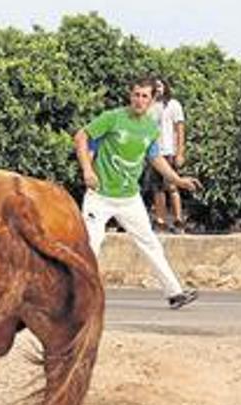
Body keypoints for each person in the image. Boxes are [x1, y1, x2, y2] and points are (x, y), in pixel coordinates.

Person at [74, 76, 202, 309]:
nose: (139, 100)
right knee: (92, 244)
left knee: (150, 243)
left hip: (129, 198)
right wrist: (87, 170)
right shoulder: (112, 118)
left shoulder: (150, 128)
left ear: (153, 100)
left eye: (145, 96)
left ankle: (174, 293)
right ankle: (79, 298)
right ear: (130, 96)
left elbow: (155, 158)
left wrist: (178, 180)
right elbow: (81, 136)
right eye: (136, 95)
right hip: (100, 196)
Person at [147, 77, 187, 233]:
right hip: (154, 152)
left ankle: (178, 220)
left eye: (160, 86)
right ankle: (161, 221)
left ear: (165, 87)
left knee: (172, 186)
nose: (158, 89)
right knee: (157, 188)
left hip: (169, 150)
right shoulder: (149, 106)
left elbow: (180, 130)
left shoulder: (174, 105)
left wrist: (180, 153)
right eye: (155, 87)